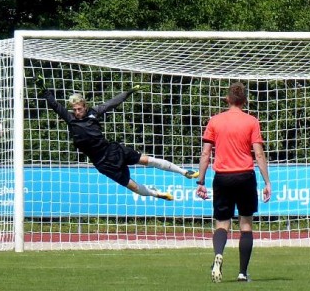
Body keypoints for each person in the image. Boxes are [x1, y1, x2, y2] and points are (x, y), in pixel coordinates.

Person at [34, 75, 199, 201]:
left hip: (113, 150)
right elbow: (55, 106)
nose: (77, 112)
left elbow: (113, 102)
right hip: (102, 162)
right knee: (133, 186)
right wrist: (44, 90)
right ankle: (157, 194)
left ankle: (185, 172)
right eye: (74, 109)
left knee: (147, 160)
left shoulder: (94, 112)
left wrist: (128, 92)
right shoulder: (70, 119)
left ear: (85, 106)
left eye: (79, 108)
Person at [196, 82, 271, 283]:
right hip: (245, 176)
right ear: (244, 101)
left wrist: (200, 180)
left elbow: (205, 153)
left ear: (227, 99)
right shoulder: (251, 121)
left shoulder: (215, 121)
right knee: (245, 224)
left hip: (222, 177)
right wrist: (267, 182)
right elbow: (259, 154)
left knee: (222, 223)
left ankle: (218, 255)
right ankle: (242, 273)